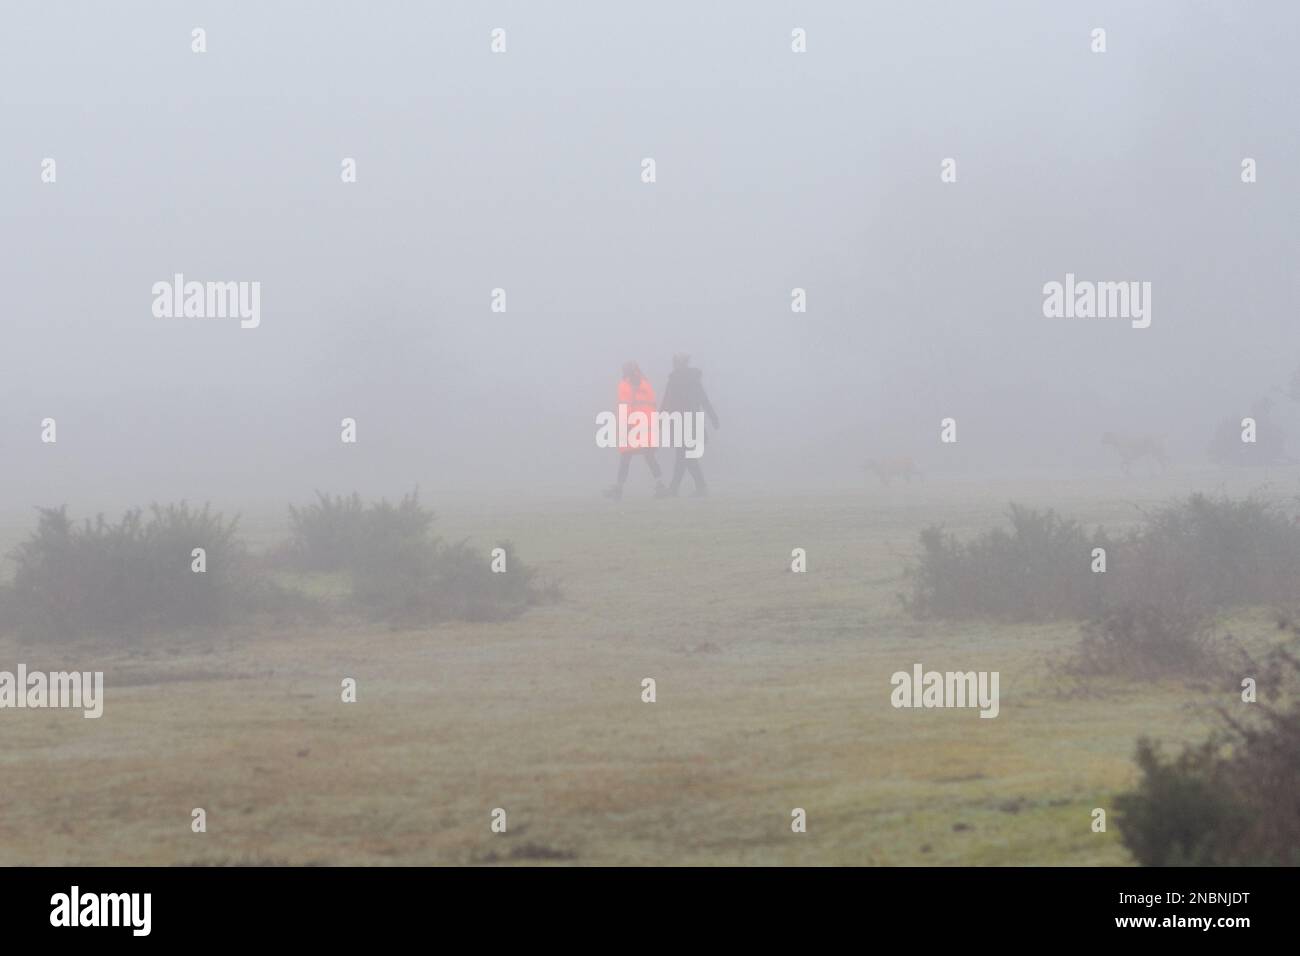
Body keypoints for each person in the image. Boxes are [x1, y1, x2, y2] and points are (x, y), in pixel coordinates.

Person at [659, 352, 719, 496]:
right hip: (691, 424)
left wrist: (659, 420)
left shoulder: (674, 381)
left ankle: (696, 488)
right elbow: (704, 401)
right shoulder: (693, 381)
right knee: (684, 457)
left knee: (685, 457)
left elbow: (666, 402)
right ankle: (679, 489)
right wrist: (713, 418)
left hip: (682, 424)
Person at [604, 361, 666, 500]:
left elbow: (625, 406)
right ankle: (660, 484)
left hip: (632, 426)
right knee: (649, 457)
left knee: (626, 457)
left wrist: (626, 425)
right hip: (647, 427)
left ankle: (619, 488)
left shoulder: (625, 385)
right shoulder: (646, 384)